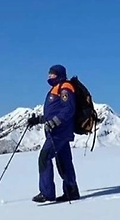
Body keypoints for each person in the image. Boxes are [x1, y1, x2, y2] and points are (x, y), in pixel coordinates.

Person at [26, 64, 81, 203]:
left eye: (52, 74)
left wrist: (54, 122)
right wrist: (39, 120)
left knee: (44, 157)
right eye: (49, 73)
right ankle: (71, 191)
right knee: (64, 161)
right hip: (57, 130)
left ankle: (47, 193)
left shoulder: (65, 87)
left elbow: (68, 109)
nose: (49, 76)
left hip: (59, 132)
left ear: (59, 74)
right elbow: (54, 112)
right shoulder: (56, 88)